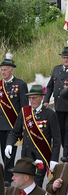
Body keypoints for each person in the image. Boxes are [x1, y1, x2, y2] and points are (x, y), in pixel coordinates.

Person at [6, 85, 61, 187]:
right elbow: (15, 132)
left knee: (36, 185)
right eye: (30, 98)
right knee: (25, 184)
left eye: (34, 97)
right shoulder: (25, 112)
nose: (32, 100)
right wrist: (9, 144)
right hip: (26, 155)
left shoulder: (49, 114)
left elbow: (57, 139)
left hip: (41, 155)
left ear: (41, 98)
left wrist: (54, 159)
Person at [43, 47, 68, 163]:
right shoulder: (57, 69)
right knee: (60, 130)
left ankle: (66, 153)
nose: (65, 60)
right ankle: (66, 149)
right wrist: (46, 100)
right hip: (59, 106)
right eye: (64, 58)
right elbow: (50, 86)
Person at [0, 54, 28, 186]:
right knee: (3, 151)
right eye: (2, 70)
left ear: (11, 70)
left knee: (9, 151)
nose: (3, 72)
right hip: (0, 124)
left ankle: (7, 177)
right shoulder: (0, 85)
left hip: (13, 125)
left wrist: (22, 125)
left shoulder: (20, 84)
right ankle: (7, 173)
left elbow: (24, 107)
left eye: (5, 70)